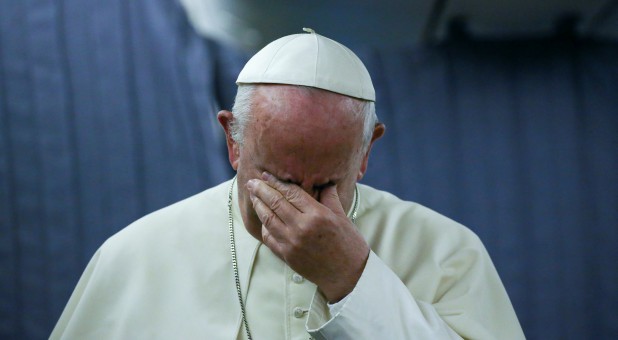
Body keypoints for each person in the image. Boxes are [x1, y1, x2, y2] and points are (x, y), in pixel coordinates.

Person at [51, 29, 525, 339]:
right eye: (277, 178)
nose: (299, 206)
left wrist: (352, 278)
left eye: (324, 186)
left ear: (365, 153)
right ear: (233, 142)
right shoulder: (134, 256)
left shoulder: (446, 251)